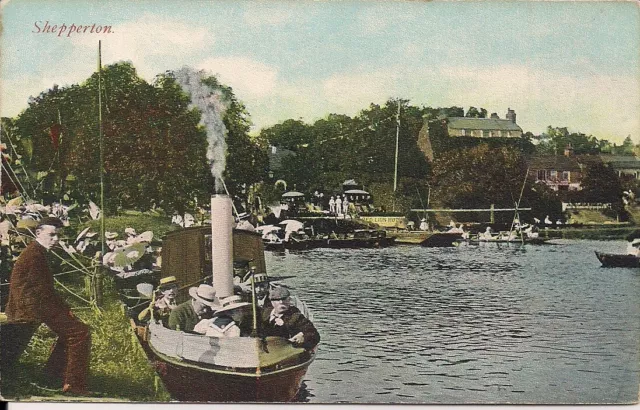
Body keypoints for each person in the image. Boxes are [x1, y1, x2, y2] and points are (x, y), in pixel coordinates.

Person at [5, 217, 91, 395]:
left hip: (33, 304)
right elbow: (43, 292)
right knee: (80, 333)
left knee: (73, 332)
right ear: (38, 233)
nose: (56, 239)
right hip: (30, 307)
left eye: (58, 235)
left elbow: (44, 291)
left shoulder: (36, 252)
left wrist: (65, 309)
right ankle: (73, 385)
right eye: (51, 235)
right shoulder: (35, 255)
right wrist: (66, 310)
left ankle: (52, 376)